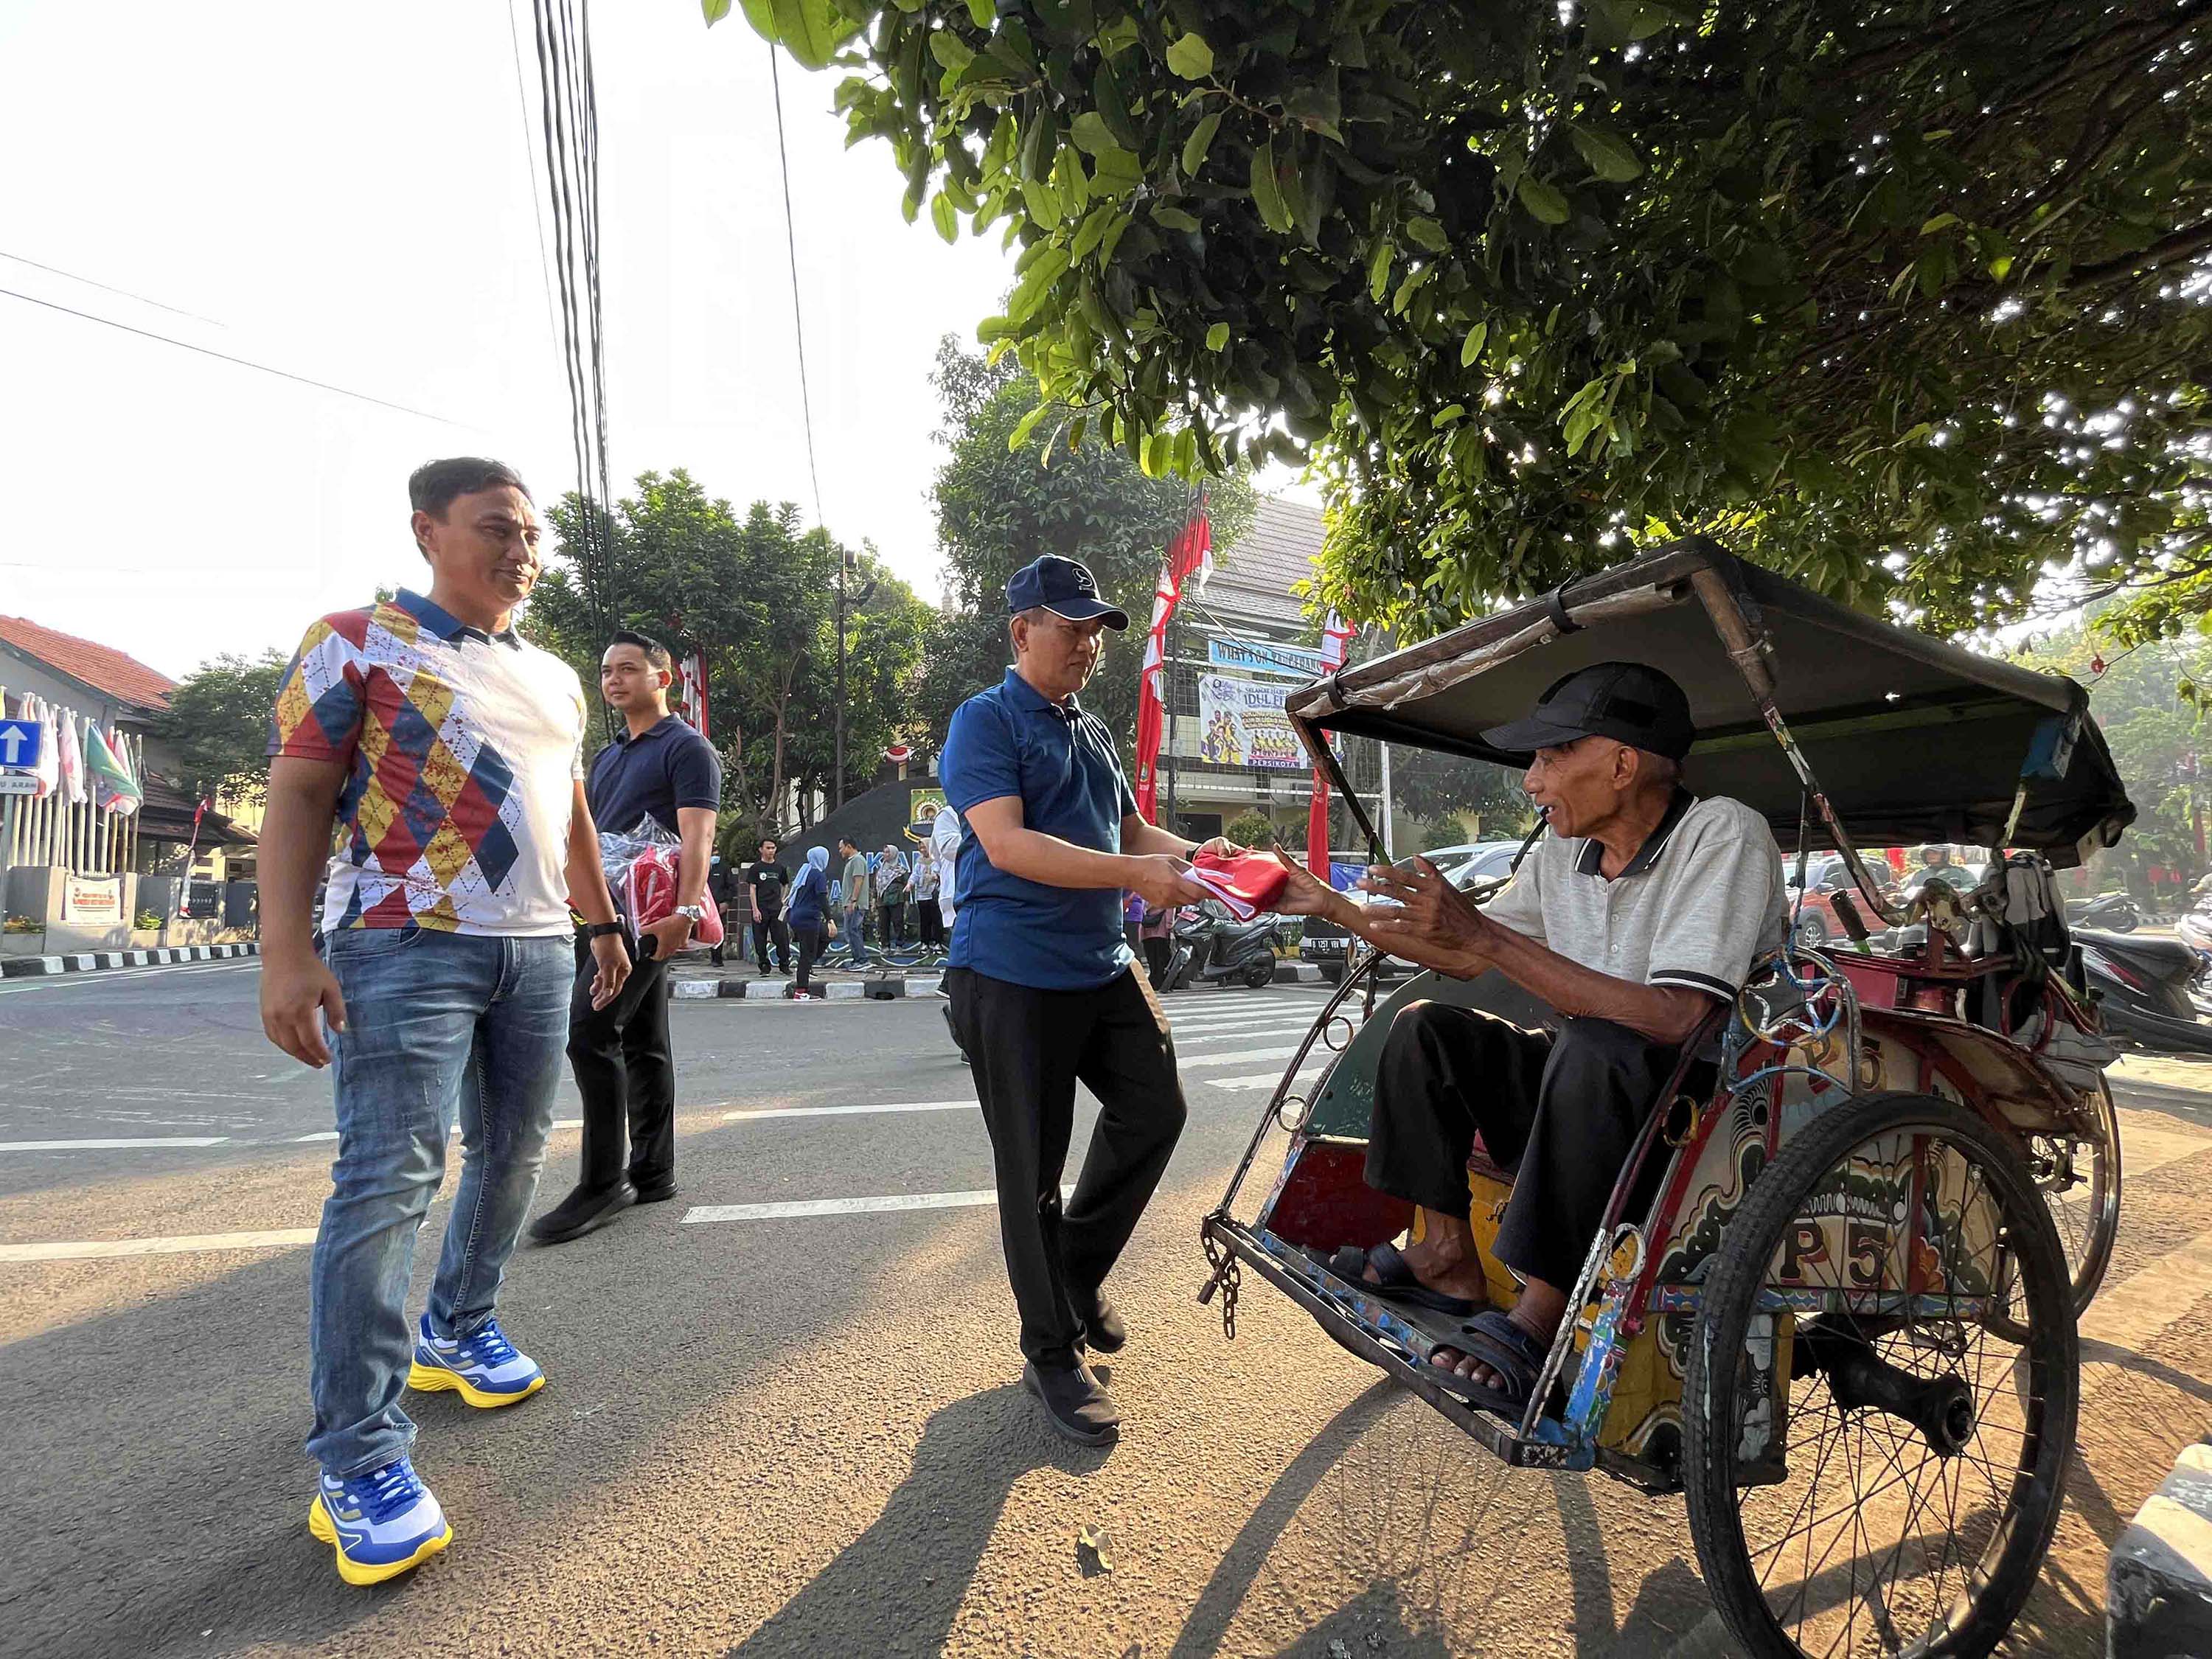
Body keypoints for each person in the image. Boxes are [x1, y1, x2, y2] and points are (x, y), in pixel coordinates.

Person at [259, 456, 631, 1586]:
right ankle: (359, 1455)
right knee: (388, 1179)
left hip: (537, 946)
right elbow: (299, 792)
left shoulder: (560, 676)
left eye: (528, 531)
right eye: (494, 527)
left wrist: (602, 921)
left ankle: (459, 1324)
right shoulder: (354, 639)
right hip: (401, 942)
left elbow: (567, 802)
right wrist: (286, 948)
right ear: (428, 530)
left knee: (514, 1153)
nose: (520, 547)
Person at [1268, 662, 1784, 1415]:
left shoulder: (1722, 833)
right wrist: (1333, 907)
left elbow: (1678, 1017)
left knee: (1598, 1044)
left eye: (1550, 759)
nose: (1532, 783)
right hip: (1583, 1099)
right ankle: (1445, 1251)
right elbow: (1467, 952)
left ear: (1621, 762)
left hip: (1689, 1124)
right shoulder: (1559, 855)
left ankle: (1538, 1317)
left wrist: (1483, 935)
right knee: (1427, 1032)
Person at [941, 553, 1233, 1447]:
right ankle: (1051, 1351)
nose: (1085, 645)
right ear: (1021, 630)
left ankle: (1073, 1268)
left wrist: (1206, 860)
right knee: (1032, 1169)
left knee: (1156, 1107)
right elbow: (1011, 845)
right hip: (1010, 972)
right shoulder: (984, 722)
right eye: (1067, 627)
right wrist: (1139, 873)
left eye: (1096, 630)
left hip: (1101, 963)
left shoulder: (1089, 728)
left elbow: (1130, 829)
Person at [532, 631, 721, 1246]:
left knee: (588, 1032)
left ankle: (602, 1180)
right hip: (607, 914)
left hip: (652, 915)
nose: (615, 680)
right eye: (608, 670)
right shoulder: (610, 755)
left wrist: (686, 911)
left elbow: (697, 837)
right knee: (642, 1039)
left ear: (662, 679)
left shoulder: (687, 749)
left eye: (630, 670)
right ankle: (654, 1169)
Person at [787, 845, 832, 996]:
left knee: (825, 935)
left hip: (796, 916)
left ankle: (807, 966)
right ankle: (801, 991)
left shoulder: (804, 872)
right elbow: (822, 898)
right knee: (806, 955)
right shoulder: (818, 875)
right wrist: (830, 919)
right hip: (808, 919)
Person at [745, 837, 793, 975]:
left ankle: (784, 964)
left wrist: (783, 899)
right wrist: (755, 909)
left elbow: (786, 884)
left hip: (776, 909)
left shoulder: (780, 868)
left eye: (773, 848)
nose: (771, 850)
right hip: (761, 908)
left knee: (782, 938)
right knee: (760, 939)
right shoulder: (756, 868)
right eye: (768, 848)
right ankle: (764, 966)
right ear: (761, 849)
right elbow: (752, 889)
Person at [838, 835, 872, 968]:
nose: (840, 851)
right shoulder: (852, 861)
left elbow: (858, 881)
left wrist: (853, 901)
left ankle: (862, 960)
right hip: (851, 903)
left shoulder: (857, 860)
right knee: (849, 931)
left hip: (855, 904)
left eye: (841, 848)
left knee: (853, 930)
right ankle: (857, 959)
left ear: (849, 847)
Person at [875, 841, 911, 946]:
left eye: (888, 852)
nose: (885, 854)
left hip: (897, 899)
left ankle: (899, 945)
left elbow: (906, 886)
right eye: (884, 852)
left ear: (894, 854)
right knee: (883, 924)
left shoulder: (901, 870)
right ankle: (885, 945)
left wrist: (907, 900)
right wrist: (874, 899)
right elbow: (876, 885)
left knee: (898, 923)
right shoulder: (880, 870)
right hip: (882, 900)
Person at [912, 841, 944, 950]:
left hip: (933, 895)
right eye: (920, 848)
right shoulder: (919, 862)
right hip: (922, 896)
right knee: (924, 920)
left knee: (936, 920)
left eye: (924, 847)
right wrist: (910, 883)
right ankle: (924, 943)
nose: (922, 850)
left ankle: (938, 943)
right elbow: (915, 875)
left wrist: (935, 877)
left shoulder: (936, 861)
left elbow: (942, 874)